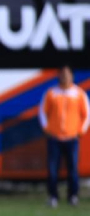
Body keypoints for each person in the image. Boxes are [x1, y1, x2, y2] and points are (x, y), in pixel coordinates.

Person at [39, 65, 89, 208]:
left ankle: (73, 196)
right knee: (53, 169)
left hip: (72, 138)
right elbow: (42, 112)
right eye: (62, 74)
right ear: (58, 75)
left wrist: (80, 131)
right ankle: (53, 196)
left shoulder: (79, 93)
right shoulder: (51, 93)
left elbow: (86, 115)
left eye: (67, 74)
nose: (65, 77)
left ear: (72, 76)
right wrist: (47, 129)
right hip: (54, 137)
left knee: (73, 169)